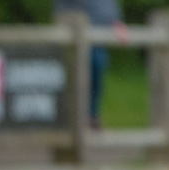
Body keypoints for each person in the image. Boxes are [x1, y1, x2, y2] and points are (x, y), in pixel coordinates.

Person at [54, 0, 127, 129]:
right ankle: (77, 120)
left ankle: (91, 118)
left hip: (97, 38)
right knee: (75, 77)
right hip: (74, 34)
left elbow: (107, 5)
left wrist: (116, 21)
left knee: (95, 73)